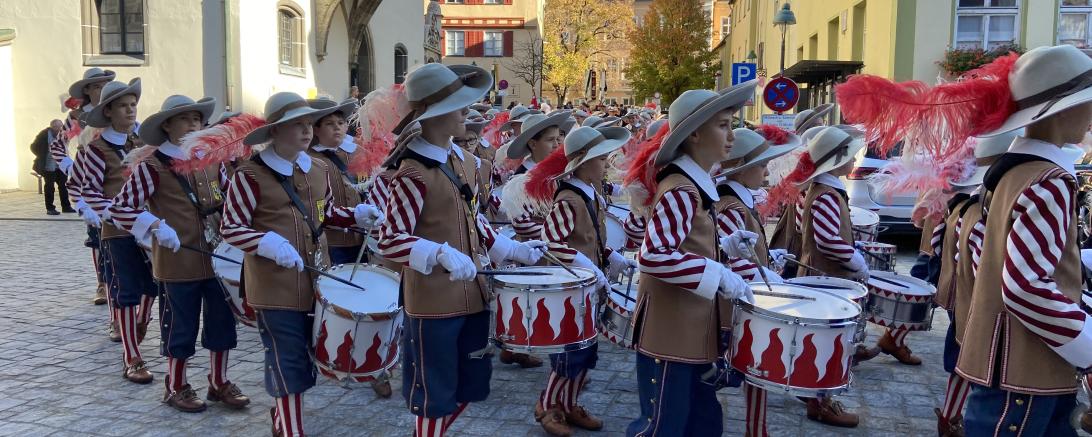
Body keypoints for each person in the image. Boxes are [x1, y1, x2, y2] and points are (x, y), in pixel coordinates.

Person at [376, 63, 546, 437]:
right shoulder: (413, 172)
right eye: (459, 105)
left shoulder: (460, 161)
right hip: (433, 303)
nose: (467, 112)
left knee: (470, 386)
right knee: (434, 395)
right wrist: (436, 252)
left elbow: (473, 220)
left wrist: (511, 250)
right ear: (435, 115)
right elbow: (389, 238)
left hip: (472, 296)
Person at [221, 91, 383, 436]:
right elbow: (231, 227)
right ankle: (292, 430)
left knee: (308, 355)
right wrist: (266, 242)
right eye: (296, 125)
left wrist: (354, 214)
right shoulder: (249, 176)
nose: (307, 131)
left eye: (309, 123)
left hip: (317, 278)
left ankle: (282, 418)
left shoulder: (320, 168)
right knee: (287, 357)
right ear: (275, 131)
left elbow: (322, 215)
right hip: (273, 285)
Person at [953, 45, 1092, 436]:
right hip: (1025, 376)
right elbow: (1026, 286)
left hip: (1010, 368)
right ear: (1062, 109)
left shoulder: (1010, 173)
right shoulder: (1049, 181)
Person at [623, 81, 757, 436]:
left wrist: (725, 247)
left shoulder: (693, 185)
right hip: (671, 333)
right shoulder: (682, 188)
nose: (732, 134)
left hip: (690, 329)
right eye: (723, 125)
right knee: (664, 425)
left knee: (701, 421)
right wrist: (719, 273)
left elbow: (686, 245)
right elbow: (653, 255)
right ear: (695, 134)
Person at [108, 95, 250, 412]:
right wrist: (155, 224)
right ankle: (175, 386)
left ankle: (219, 381)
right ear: (167, 125)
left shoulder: (212, 159)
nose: (193, 125)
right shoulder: (151, 166)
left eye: (197, 119)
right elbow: (121, 209)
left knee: (222, 324)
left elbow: (231, 197)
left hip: (218, 259)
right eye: (185, 119)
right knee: (180, 326)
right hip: (177, 261)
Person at [523, 125, 635, 436]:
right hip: (571, 288)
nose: (606, 165)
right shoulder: (570, 198)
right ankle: (547, 405)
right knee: (569, 352)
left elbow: (591, 238)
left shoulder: (591, 194)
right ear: (583, 163)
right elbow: (551, 242)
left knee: (586, 351)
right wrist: (586, 264)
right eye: (601, 159)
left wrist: (610, 255)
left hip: (587, 289)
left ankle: (570, 404)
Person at [712, 126, 806, 436]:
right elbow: (727, 257)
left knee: (755, 369)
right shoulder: (730, 206)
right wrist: (761, 273)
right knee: (734, 371)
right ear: (742, 170)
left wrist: (768, 258)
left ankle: (758, 428)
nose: (767, 170)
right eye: (762, 164)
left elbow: (748, 249)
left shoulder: (741, 201)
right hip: (732, 306)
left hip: (746, 299)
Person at [930, 131, 1019, 436]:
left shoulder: (958, 209)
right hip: (976, 307)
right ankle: (952, 421)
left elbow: (937, 244)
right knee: (970, 368)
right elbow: (986, 267)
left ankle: (949, 416)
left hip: (961, 300)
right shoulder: (982, 216)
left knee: (958, 364)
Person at [74, 78, 160, 383]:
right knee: (125, 292)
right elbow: (91, 193)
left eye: (133, 104)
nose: (131, 110)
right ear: (108, 111)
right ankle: (132, 357)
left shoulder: (145, 144)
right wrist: (118, 216)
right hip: (118, 231)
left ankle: (141, 322)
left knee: (154, 286)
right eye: (123, 106)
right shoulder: (96, 150)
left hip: (150, 229)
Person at [31, 119, 73, 215]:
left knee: (63, 186)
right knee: (50, 187)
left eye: (60, 126)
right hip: (49, 165)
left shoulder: (64, 134)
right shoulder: (44, 135)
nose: (59, 129)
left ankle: (66, 207)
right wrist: (42, 155)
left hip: (61, 164)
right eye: (56, 127)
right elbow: (33, 147)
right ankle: (50, 208)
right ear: (52, 127)